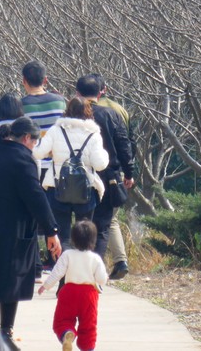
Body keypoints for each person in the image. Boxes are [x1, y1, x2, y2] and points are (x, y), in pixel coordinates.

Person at [0, 117, 62, 349]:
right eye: (35, 143)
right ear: (27, 138)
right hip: (10, 228)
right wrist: (51, 230)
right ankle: (5, 331)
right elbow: (36, 197)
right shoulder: (22, 159)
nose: (34, 148)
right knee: (9, 279)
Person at [34, 98, 109, 250]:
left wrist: (52, 152)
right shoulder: (93, 134)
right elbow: (100, 164)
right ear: (88, 112)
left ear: (67, 110)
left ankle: (63, 271)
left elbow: (38, 153)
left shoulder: (56, 130)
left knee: (62, 237)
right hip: (85, 189)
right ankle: (83, 270)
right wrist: (105, 155)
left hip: (58, 186)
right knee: (85, 237)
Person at [75, 75, 134, 258]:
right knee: (101, 228)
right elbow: (124, 145)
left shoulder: (70, 116)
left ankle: (80, 270)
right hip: (108, 176)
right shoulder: (110, 114)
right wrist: (129, 173)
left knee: (81, 226)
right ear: (101, 93)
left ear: (77, 93)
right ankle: (95, 274)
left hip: (77, 178)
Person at [38, 220, 107, 351]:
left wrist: (45, 286)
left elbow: (57, 273)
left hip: (69, 292)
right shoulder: (95, 258)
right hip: (89, 295)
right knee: (88, 325)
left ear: (73, 239)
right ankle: (87, 348)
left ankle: (67, 334)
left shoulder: (67, 255)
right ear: (93, 240)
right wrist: (102, 279)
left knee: (62, 320)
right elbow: (102, 279)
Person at [95, 74, 136, 280]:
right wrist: (129, 171)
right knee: (110, 219)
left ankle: (97, 265)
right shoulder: (119, 109)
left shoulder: (81, 109)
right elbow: (128, 141)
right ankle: (120, 260)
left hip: (92, 172)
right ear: (105, 88)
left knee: (94, 220)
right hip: (114, 171)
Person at [20, 61, 67, 180]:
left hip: (31, 164)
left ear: (24, 81)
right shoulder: (60, 102)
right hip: (57, 164)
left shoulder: (20, 105)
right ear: (45, 80)